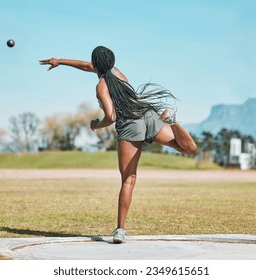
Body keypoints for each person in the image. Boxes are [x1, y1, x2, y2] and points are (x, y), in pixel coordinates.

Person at [39, 46, 197, 243]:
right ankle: (172, 121)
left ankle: (120, 230)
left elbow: (111, 117)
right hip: (147, 114)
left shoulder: (101, 86)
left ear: (95, 64)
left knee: (128, 179)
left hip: (130, 125)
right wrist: (61, 61)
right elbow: (88, 66)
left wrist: (96, 125)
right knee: (188, 149)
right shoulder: (117, 72)